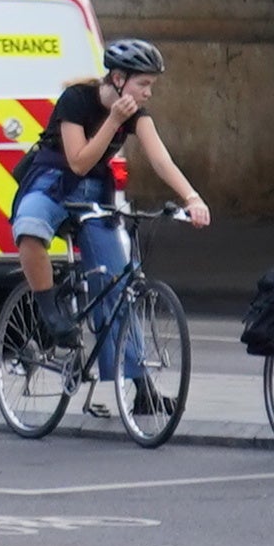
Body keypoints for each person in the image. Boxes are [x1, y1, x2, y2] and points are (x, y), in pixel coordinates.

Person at [15, 37, 210, 417]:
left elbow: (161, 160)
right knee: (30, 226)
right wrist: (114, 122)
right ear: (118, 79)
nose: (148, 93)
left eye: (151, 85)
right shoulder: (76, 100)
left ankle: (141, 390)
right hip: (53, 181)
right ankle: (49, 308)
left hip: (94, 193)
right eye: (143, 84)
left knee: (118, 285)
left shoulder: (137, 114)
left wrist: (192, 199)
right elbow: (78, 162)